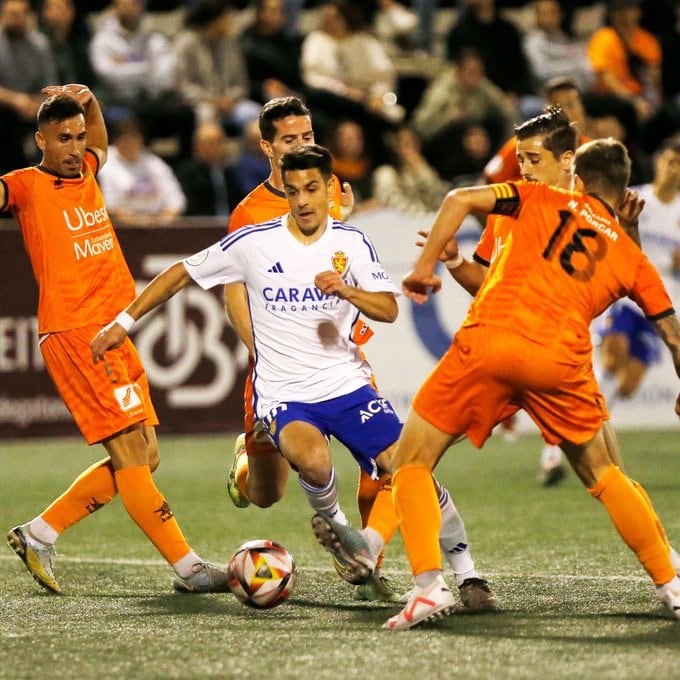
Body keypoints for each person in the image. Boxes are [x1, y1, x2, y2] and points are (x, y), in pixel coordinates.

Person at [90, 144, 500, 613]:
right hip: (285, 393)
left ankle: (467, 574)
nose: (303, 200)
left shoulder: (351, 243)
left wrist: (346, 289)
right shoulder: (255, 242)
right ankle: (340, 528)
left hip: (346, 384)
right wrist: (122, 324)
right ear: (283, 193)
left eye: (311, 189)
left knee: (406, 466)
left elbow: (387, 308)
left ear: (330, 189)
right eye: (292, 191)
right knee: (313, 463)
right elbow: (182, 272)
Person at [333, 137, 680, 630]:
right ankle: (671, 585)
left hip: (492, 340)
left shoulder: (539, 197)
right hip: (558, 360)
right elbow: (670, 331)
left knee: (411, 460)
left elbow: (456, 199)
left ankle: (429, 587)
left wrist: (425, 267)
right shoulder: (629, 253)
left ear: (575, 175)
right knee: (605, 474)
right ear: (624, 188)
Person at [2, 85, 229, 594]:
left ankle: (39, 534)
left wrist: (91, 103)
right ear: (40, 140)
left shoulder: (85, 171)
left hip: (113, 329)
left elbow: (100, 138)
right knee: (130, 452)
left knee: (145, 456)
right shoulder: (25, 185)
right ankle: (190, 570)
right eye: (63, 139)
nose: (76, 147)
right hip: (77, 334)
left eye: (80, 137)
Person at [597, 134, 680, 411]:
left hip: (661, 297)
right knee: (613, 355)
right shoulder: (636, 199)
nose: (674, 169)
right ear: (659, 162)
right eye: (671, 161)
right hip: (627, 291)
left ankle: (598, 414)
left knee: (629, 385)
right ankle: (585, 423)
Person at [89, 0, 195, 160]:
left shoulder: (153, 38)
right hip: (119, 100)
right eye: (126, 3)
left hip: (152, 99)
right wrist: (148, 68)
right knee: (133, 121)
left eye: (135, 3)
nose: (131, 8)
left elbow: (166, 76)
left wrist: (127, 66)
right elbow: (110, 76)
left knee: (185, 112)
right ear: (115, 7)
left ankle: (185, 168)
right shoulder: (104, 40)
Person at [174, 0, 261, 134]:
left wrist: (230, 99)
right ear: (216, 19)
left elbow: (241, 83)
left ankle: (251, 154)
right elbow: (183, 85)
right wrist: (213, 101)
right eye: (227, 17)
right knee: (206, 118)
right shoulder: (186, 44)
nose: (231, 21)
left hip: (231, 103)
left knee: (255, 114)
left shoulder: (230, 43)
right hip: (201, 104)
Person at [484, 77, 591, 185]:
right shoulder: (522, 146)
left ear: (582, 107)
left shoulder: (591, 151)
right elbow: (489, 181)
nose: (565, 113)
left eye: (570, 105)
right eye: (557, 108)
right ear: (546, 111)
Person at [97, 114, 187, 226]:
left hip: (156, 226)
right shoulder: (105, 163)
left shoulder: (154, 162)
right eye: (125, 137)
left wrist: (165, 219)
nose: (130, 142)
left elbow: (176, 199)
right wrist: (136, 221)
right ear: (116, 140)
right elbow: (106, 205)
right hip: (119, 228)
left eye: (134, 137)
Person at [0, 0, 57, 174]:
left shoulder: (40, 44)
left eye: (20, 14)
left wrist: (36, 103)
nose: (16, 19)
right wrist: (15, 100)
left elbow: (50, 84)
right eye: (12, 14)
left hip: (33, 109)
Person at [175, 120, 242, 217]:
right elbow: (191, 209)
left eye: (221, 141)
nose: (218, 147)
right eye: (212, 143)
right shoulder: (187, 173)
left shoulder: (229, 171)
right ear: (198, 146)